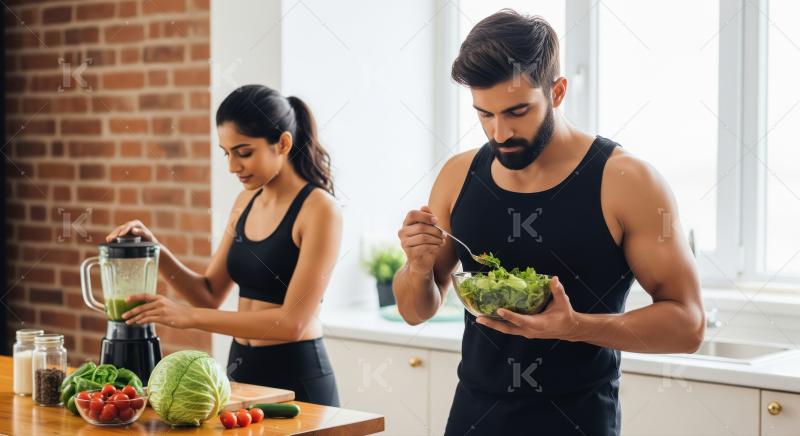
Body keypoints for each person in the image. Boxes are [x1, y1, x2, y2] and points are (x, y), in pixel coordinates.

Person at [392, 10, 704, 435]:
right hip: (472, 418)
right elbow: (415, 311)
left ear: (557, 92)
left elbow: (688, 326)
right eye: (484, 114)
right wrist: (417, 266)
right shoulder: (458, 175)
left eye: (517, 111)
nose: (499, 132)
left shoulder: (626, 181)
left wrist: (575, 327)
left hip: (578, 421)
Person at [105, 84, 342, 406]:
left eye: (244, 153)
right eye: (227, 153)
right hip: (242, 372)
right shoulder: (245, 201)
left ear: (283, 143)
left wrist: (188, 317)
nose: (233, 166)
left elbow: (292, 324)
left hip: (298, 375)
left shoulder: (319, 209)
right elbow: (208, 293)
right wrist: (155, 251)